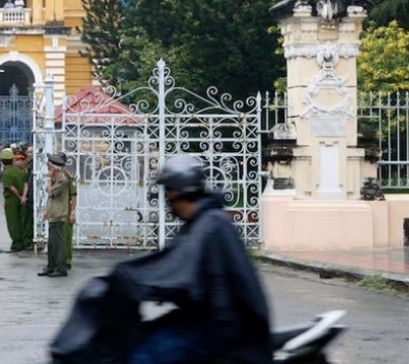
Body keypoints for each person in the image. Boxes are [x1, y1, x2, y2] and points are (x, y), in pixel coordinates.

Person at [50, 154, 272, 364]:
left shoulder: (209, 225)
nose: (166, 198)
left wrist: (131, 276)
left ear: (174, 193)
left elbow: (174, 267)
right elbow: (173, 261)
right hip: (208, 319)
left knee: (143, 356)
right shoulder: (205, 219)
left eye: (167, 192)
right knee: (147, 336)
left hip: (219, 329)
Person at [39, 154, 71, 277]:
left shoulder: (63, 180)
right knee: (52, 244)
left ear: (54, 168)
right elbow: (50, 199)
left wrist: (48, 179)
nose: (48, 169)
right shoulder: (56, 180)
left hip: (59, 215)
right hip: (53, 214)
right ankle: (51, 266)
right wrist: (46, 211)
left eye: (49, 167)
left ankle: (60, 267)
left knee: (59, 243)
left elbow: (50, 192)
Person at [0, 148, 27, 251]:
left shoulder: (6, 173)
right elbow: (25, 183)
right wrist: (23, 196)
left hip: (12, 200)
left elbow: (11, 188)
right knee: (21, 220)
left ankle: (17, 243)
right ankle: (23, 240)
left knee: (13, 222)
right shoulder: (18, 171)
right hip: (21, 199)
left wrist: (19, 197)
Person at [15, 149, 34, 250]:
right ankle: (27, 239)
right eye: (28, 152)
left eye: (31, 152)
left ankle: (29, 240)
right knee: (26, 219)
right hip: (28, 195)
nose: (30, 153)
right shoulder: (26, 167)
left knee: (29, 220)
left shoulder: (35, 165)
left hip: (32, 195)